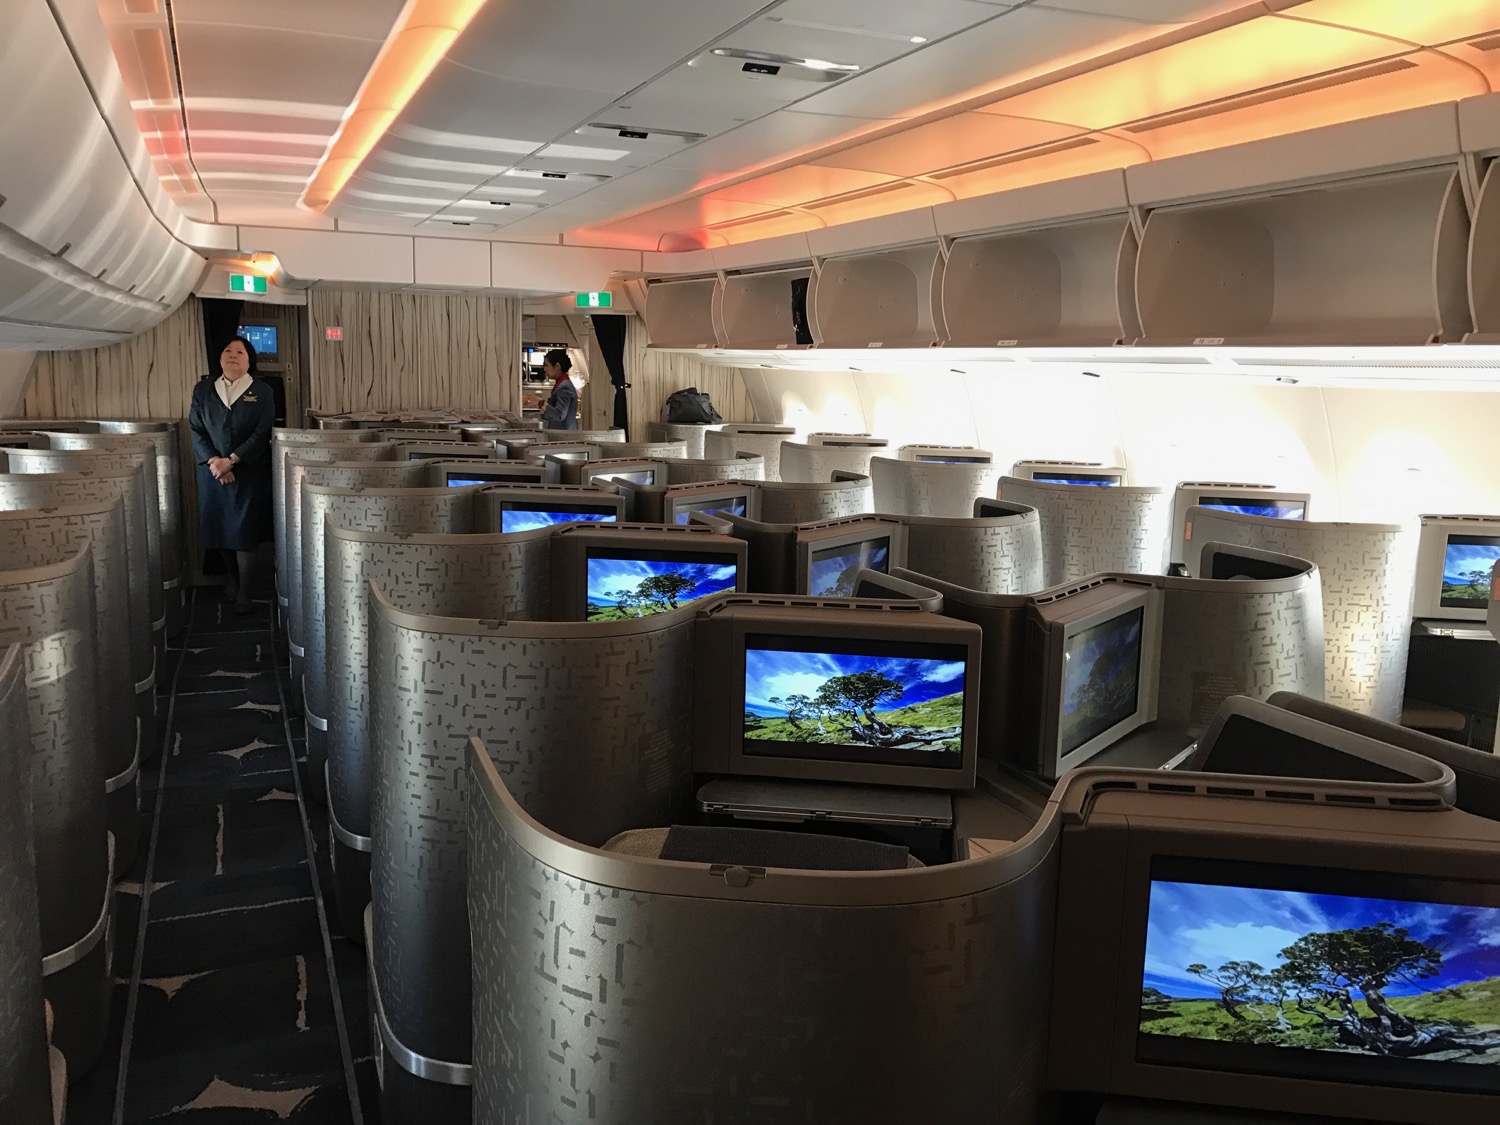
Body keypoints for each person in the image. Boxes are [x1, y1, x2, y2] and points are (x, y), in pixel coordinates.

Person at [189, 336, 275, 614]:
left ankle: (245, 591)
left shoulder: (262, 391)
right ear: (219, 358)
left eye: (240, 351)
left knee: (245, 530)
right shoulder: (203, 390)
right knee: (220, 527)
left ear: (249, 360)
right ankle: (231, 579)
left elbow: (262, 432)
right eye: (227, 350)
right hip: (212, 472)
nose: (233, 355)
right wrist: (216, 462)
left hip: (247, 472)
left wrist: (232, 461)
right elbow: (196, 429)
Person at [539, 348, 580, 430]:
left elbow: (559, 415)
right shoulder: (563, 384)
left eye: (547, 365)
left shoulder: (564, 387)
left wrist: (540, 403)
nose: (545, 369)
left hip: (564, 436)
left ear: (557, 366)